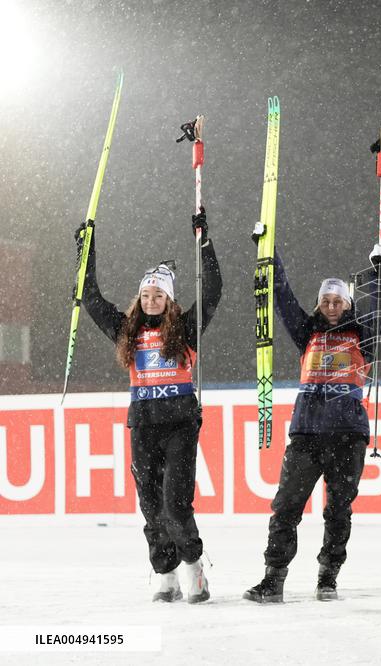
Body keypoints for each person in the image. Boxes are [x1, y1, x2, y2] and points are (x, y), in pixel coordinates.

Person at [242, 222, 381, 602]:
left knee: (338, 510)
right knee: (285, 507)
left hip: (348, 434)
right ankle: (274, 578)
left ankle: (328, 576)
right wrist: (267, 252)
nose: (332, 307)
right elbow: (281, 297)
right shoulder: (306, 332)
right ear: (319, 305)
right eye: (326, 302)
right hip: (307, 434)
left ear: (348, 304)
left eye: (339, 302)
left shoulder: (363, 334)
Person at [77, 208, 221, 603]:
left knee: (175, 505)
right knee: (151, 507)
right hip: (143, 424)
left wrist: (203, 242)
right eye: (146, 294)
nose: (152, 299)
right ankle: (164, 573)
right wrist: (84, 251)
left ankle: (193, 567)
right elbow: (90, 297)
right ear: (139, 298)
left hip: (179, 423)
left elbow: (212, 291)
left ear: (170, 298)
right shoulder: (128, 331)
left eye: (159, 294)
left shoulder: (186, 329)